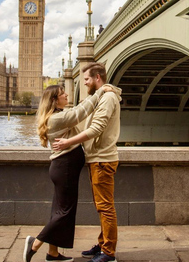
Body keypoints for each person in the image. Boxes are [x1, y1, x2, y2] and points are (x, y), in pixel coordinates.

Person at [23, 83, 118, 262]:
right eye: (62, 94)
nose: (67, 95)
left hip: (63, 168)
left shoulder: (57, 115)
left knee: (58, 211)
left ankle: (53, 254)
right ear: (54, 100)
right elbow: (80, 112)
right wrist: (99, 92)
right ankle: (35, 243)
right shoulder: (57, 118)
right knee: (64, 212)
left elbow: (78, 109)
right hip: (65, 168)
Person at [53, 62, 121, 262]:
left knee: (106, 207)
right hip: (97, 159)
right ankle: (103, 244)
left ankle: (109, 252)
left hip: (102, 159)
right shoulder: (101, 96)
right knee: (102, 206)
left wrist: (68, 142)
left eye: (87, 79)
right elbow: (81, 111)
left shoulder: (107, 98)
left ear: (97, 78)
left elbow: (96, 129)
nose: (84, 83)